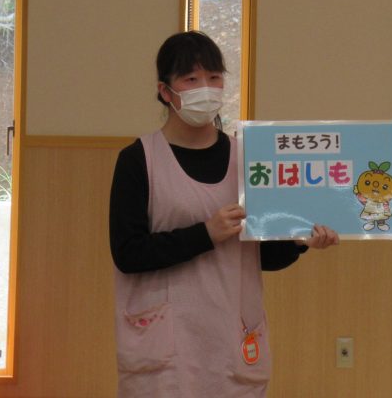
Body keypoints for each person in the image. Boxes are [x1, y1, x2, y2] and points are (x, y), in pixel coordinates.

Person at [109, 30, 339, 398]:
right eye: (191, 79)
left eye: (214, 77)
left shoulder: (250, 158)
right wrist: (205, 233)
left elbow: (258, 255)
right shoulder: (138, 160)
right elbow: (128, 253)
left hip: (231, 341)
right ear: (165, 91)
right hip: (167, 350)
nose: (206, 88)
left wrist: (299, 241)